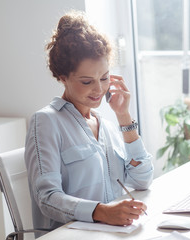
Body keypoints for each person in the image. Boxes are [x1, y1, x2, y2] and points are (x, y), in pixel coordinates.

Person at [24, 10, 154, 235]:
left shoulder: (107, 126)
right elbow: (47, 198)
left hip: (112, 233)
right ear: (63, 77)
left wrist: (124, 116)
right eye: (87, 81)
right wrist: (103, 212)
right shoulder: (46, 122)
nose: (99, 89)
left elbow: (142, 180)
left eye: (104, 77)